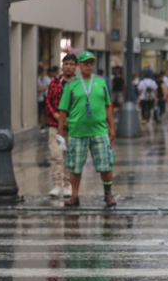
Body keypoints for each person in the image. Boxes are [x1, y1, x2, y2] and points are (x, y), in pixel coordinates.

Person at [57, 51, 116, 207]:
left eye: (92, 63)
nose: (89, 65)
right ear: (79, 66)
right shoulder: (71, 84)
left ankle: (108, 194)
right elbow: (63, 109)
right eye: (86, 62)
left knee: (106, 164)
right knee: (75, 167)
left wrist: (112, 127)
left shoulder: (101, 82)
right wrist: (60, 132)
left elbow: (108, 106)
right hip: (77, 132)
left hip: (100, 131)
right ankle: (74, 195)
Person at [45, 55, 77, 198]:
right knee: (56, 155)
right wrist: (58, 117)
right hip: (54, 125)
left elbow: (82, 105)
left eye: (71, 64)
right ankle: (57, 184)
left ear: (76, 66)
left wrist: (69, 119)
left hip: (73, 127)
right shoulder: (54, 82)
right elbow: (48, 103)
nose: (68, 66)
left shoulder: (79, 83)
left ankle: (67, 184)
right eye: (66, 64)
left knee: (70, 156)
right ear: (62, 65)